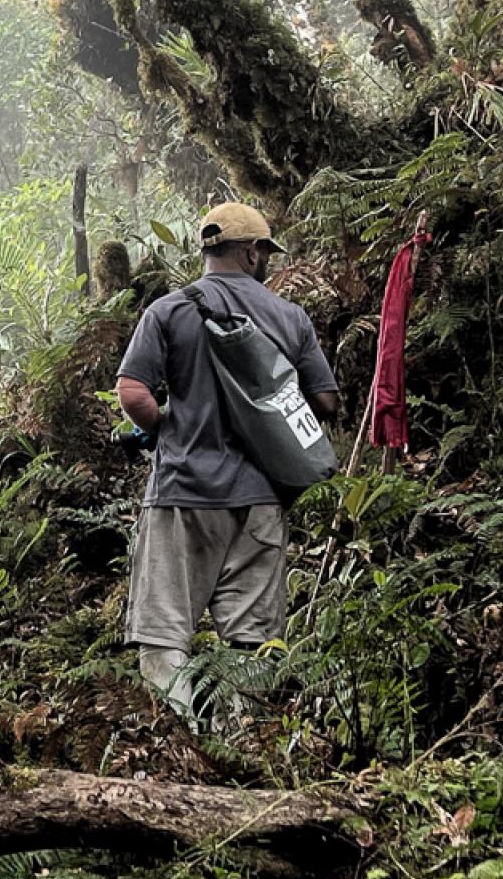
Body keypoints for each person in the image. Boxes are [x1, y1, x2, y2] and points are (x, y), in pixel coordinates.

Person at [113, 201, 340, 723]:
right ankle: (244, 744)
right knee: (252, 639)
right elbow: (325, 403)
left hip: (183, 496)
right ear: (252, 252)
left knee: (165, 632)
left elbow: (132, 392)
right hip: (262, 498)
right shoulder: (289, 317)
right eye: (265, 251)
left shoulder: (168, 311)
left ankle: (184, 745)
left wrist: (167, 427)